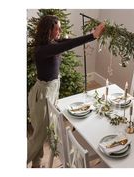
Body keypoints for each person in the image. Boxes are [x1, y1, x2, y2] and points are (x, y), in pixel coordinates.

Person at [27, 15, 105, 167]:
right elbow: (67, 46)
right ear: (49, 30)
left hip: (51, 91)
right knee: (38, 137)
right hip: (42, 95)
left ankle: (36, 166)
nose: (60, 31)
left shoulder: (51, 43)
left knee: (41, 134)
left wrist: (92, 35)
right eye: (58, 28)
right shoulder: (44, 49)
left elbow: (66, 42)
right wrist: (93, 36)